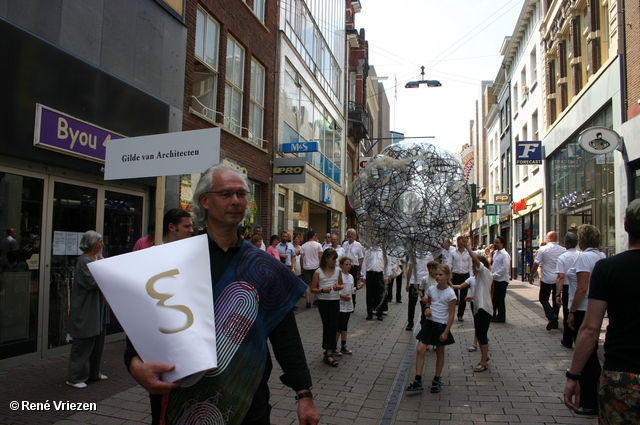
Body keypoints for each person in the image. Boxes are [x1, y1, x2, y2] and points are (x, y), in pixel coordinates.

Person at [125, 164, 319, 425]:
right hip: (181, 399)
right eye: (226, 194)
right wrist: (135, 365)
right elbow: (143, 329)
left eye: (241, 194)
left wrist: (304, 394)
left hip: (246, 400)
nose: (236, 201)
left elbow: (286, 338)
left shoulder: (263, 267)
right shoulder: (173, 261)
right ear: (205, 201)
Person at [564, 199, 640, 424]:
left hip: (623, 376)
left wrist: (573, 376)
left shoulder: (608, 268)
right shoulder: (602, 261)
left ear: (625, 226)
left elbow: (590, 328)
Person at [563, 224, 605, 416]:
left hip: (582, 310)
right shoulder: (600, 256)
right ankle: (595, 396)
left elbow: (582, 288)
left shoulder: (585, 257)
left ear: (582, 239)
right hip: (595, 308)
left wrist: (571, 311)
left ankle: (590, 400)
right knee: (592, 355)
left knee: (586, 356)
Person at [66, 231, 108, 389]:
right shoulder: (83, 261)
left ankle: (94, 372)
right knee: (84, 342)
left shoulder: (95, 259)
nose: (102, 244)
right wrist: (103, 267)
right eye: (99, 241)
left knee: (97, 341)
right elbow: (93, 282)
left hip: (96, 308)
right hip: (86, 308)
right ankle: (75, 377)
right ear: (91, 243)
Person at [406, 264, 457, 393]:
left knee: (440, 352)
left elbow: (451, 314)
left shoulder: (450, 293)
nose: (438, 277)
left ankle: (437, 378)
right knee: (420, 349)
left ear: (447, 276)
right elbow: (428, 302)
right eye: (437, 275)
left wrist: (446, 332)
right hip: (430, 322)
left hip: (441, 324)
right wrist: (428, 309)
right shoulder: (432, 289)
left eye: (440, 275)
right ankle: (418, 379)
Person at [453, 238, 493, 372]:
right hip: (479, 308)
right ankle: (484, 356)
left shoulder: (485, 273)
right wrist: (474, 297)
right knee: (481, 335)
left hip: (484, 309)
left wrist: (467, 247)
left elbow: (476, 260)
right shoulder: (477, 278)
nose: (472, 267)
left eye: (474, 265)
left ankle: (483, 361)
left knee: (482, 335)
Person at [309, 248, 343, 367]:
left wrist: (339, 287)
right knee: (327, 325)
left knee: (333, 325)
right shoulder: (318, 272)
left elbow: (341, 284)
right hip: (323, 302)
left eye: (335, 259)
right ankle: (328, 350)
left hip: (335, 301)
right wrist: (323, 290)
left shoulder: (338, 270)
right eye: (333, 259)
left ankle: (329, 352)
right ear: (326, 259)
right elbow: (312, 289)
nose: (335, 261)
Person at [529, 231, 566, 331]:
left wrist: (532, 275)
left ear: (548, 238)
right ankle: (555, 319)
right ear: (556, 238)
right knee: (556, 298)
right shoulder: (563, 250)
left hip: (547, 278)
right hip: (558, 278)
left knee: (543, 298)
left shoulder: (543, 249)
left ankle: (551, 316)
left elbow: (536, 263)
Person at [554, 232, 580, 349]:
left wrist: (557, 294)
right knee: (578, 313)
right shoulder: (581, 255)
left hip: (567, 287)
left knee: (567, 312)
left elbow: (560, 276)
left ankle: (567, 339)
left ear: (565, 243)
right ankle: (577, 337)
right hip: (580, 286)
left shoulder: (563, 257)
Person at [405, 253, 433, 331]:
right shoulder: (413, 254)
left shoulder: (429, 255)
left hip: (425, 282)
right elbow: (410, 269)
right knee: (412, 303)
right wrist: (408, 283)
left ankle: (423, 322)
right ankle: (410, 323)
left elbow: (433, 268)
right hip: (414, 281)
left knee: (425, 303)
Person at [361, 246, 388, 321]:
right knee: (369, 295)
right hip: (370, 274)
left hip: (379, 274)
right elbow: (364, 264)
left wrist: (387, 275)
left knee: (380, 295)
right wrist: (363, 275)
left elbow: (387, 264)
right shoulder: (368, 252)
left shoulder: (383, 252)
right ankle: (369, 313)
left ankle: (380, 313)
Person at [450, 236, 473, 321]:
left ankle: (460, 314)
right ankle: (451, 313)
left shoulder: (468, 253)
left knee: (463, 296)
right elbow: (449, 264)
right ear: (457, 242)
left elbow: (470, 266)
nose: (461, 243)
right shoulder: (453, 252)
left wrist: (471, 277)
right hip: (455, 276)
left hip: (465, 276)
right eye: (460, 241)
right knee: (454, 296)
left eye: (463, 242)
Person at [335, 256, 354, 356]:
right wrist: (342, 296)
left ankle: (343, 345)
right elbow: (333, 291)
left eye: (349, 264)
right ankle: (334, 346)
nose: (348, 266)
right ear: (341, 265)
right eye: (346, 264)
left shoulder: (351, 277)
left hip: (348, 304)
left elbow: (351, 291)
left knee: (345, 325)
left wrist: (357, 288)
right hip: (340, 304)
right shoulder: (339, 276)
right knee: (339, 325)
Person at [342, 229, 365, 306]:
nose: (350, 235)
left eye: (352, 234)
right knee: (344, 283)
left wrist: (360, 269)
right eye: (349, 234)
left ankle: (352, 303)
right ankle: (344, 300)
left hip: (353, 267)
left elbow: (361, 257)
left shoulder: (358, 245)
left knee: (353, 284)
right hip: (345, 267)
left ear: (354, 235)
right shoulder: (344, 244)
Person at [491, 235, 511, 323]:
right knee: (494, 299)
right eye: (495, 242)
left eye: (497, 242)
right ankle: (494, 315)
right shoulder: (496, 253)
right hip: (495, 279)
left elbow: (505, 268)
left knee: (500, 299)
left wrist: (494, 275)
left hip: (502, 280)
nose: (496, 244)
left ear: (502, 244)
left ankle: (501, 317)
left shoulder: (505, 255)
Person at [300, 231, 323, 305]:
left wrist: (302, 267)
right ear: (313, 236)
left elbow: (301, 257)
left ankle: (308, 301)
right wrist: (321, 265)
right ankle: (315, 299)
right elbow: (320, 256)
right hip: (316, 266)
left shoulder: (303, 246)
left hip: (306, 267)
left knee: (307, 284)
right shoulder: (318, 245)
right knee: (316, 284)